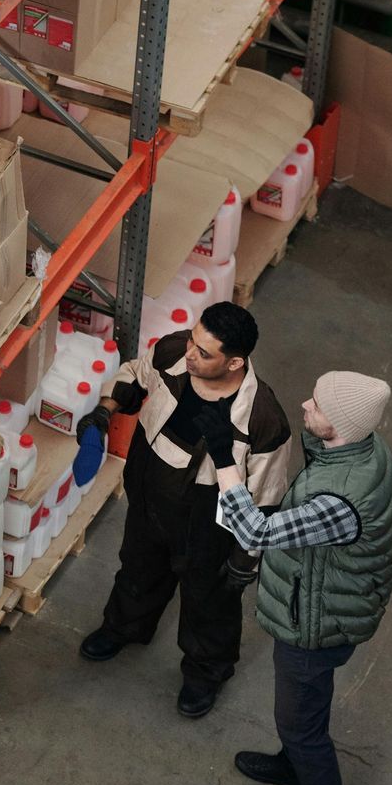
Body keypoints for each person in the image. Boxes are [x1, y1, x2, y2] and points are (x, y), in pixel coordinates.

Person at [205, 370, 392, 785]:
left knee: (300, 725)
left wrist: (223, 456)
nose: (305, 403)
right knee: (303, 716)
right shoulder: (361, 449)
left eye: (318, 404)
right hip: (315, 602)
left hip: (317, 627)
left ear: (338, 426)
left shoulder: (341, 501)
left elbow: (254, 533)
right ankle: (295, 768)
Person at [75, 303, 296, 718]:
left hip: (207, 516)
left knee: (208, 599)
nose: (190, 354)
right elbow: (137, 374)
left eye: (204, 352)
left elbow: (264, 498)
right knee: (138, 567)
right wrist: (105, 411)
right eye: (193, 340)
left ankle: (205, 672)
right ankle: (123, 628)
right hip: (150, 491)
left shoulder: (262, 421)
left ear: (235, 362)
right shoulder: (176, 352)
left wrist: (244, 562)